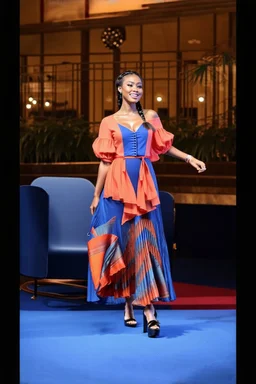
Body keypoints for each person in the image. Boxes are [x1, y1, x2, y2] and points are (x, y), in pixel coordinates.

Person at [87, 70, 206, 338]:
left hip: (143, 183)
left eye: (139, 85)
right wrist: (96, 195)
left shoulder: (150, 116)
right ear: (119, 89)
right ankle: (128, 304)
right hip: (116, 186)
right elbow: (105, 160)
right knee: (123, 242)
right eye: (130, 85)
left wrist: (189, 158)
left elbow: (164, 147)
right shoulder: (108, 121)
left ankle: (149, 310)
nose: (135, 89)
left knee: (145, 242)